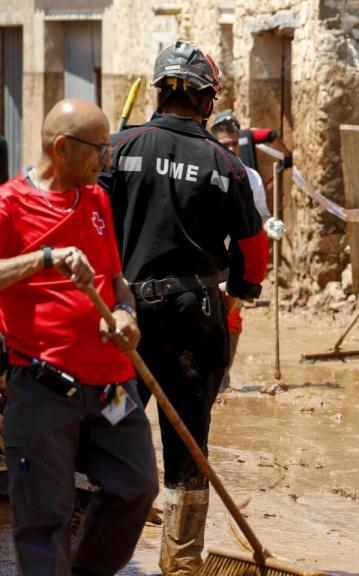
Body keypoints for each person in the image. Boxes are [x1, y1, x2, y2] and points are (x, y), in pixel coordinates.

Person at [99, 41, 268, 574]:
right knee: (190, 443)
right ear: (205, 100)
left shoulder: (116, 150)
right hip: (194, 320)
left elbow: (90, 226)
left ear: (160, 90)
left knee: (103, 428)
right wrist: (237, 296)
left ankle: (89, 548)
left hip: (118, 318)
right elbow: (252, 253)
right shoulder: (226, 165)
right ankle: (182, 560)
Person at [0, 98, 158, 575]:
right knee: (44, 518)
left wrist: (127, 313)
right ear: (62, 147)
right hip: (42, 387)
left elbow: (115, 280)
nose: (107, 161)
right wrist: (45, 258)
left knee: (137, 488)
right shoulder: (9, 204)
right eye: (100, 150)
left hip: (112, 384)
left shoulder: (96, 200)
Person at [210, 111, 279, 390]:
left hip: (234, 256)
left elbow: (260, 215)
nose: (231, 150)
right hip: (206, 255)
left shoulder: (250, 177)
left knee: (232, 314)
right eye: (225, 145)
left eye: (235, 145)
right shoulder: (205, 169)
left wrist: (270, 223)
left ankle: (223, 375)